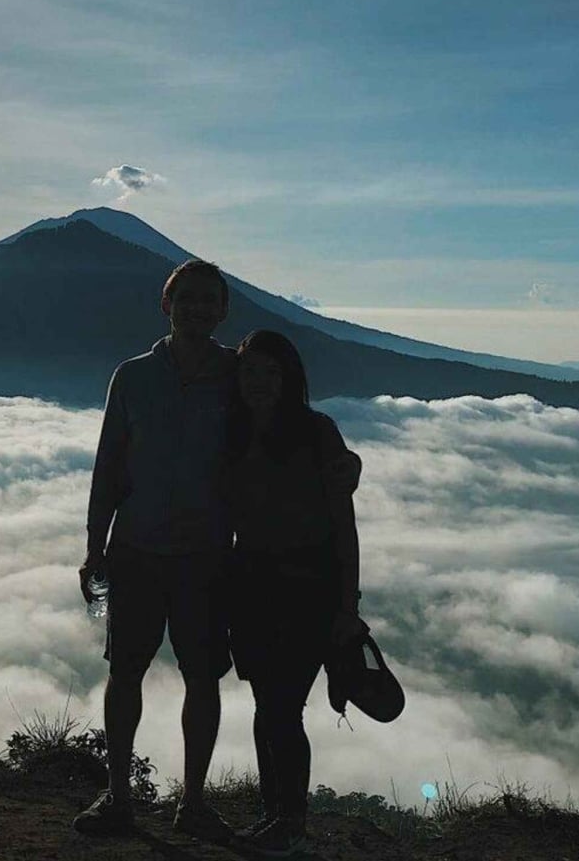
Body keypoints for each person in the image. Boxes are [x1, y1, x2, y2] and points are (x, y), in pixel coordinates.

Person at [72, 259, 240, 843]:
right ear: (165, 305)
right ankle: (119, 795)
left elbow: (277, 440)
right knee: (126, 672)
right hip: (137, 551)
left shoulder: (238, 377)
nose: (196, 308)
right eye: (185, 298)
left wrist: (338, 464)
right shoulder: (132, 377)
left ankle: (192, 802)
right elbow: (108, 468)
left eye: (207, 300)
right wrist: (96, 549)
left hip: (207, 557)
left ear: (222, 312)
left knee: (202, 678)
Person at [224, 329, 364, 856]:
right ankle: (275, 816)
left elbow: (343, 524)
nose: (257, 382)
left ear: (289, 379)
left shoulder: (316, 432)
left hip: (308, 590)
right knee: (268, 705)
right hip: (251, 588)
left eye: (269, 372)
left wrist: (347, 607)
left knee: (282, 708)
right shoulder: (232, 431)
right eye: (248, 371)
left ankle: (289, 821)